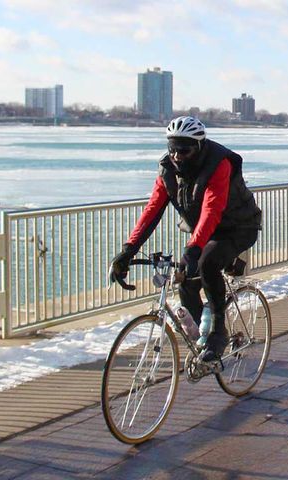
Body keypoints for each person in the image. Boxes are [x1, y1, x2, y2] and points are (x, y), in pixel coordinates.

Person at [110, 115, 262, 367]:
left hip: (238, 227)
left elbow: (212, 210)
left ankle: (218, 333)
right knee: (186, 284)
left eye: (184, 150)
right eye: (173, 149)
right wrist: (128, 250)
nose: (178, 156)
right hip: (205, 232)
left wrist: (193, 249)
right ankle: (201, 340)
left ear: (200, 147)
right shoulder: (168, 170)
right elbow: (152, 211)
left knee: (207, 263)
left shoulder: (219, 163)